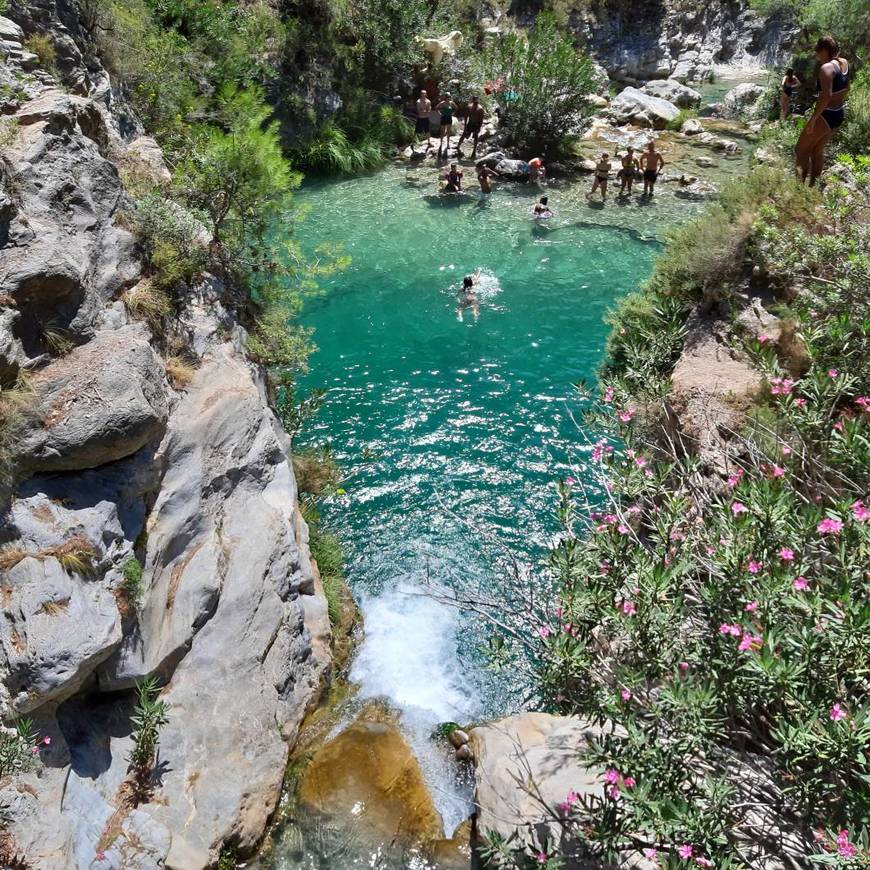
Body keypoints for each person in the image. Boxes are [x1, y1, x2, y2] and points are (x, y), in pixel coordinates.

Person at [795, 35, 849, 186]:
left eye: (818, 51)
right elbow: (847, 88)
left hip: (826, 114)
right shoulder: (844, 63)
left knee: (800, 149)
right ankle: (813, 186)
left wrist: (813, 119)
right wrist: (836, 103)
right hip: (838, 113)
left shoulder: (826, 68)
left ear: (824, 50)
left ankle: (799, 187)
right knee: (817, 151)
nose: (817, 55)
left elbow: (826, 96)